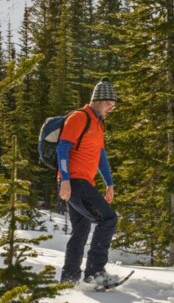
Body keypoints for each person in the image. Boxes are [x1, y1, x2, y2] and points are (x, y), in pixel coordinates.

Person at [57, 77, 120, 286]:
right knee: (108, 218)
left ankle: (69, 278)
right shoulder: (79, 117)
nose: (111, 108)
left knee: (81, 229)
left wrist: (109, 183)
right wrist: (65, 180)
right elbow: (62, 148)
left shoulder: (98, 125)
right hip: (74, 182)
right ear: (101, 100)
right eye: (110, 103)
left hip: (84, 183)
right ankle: (95, 273)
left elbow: (100, 156)